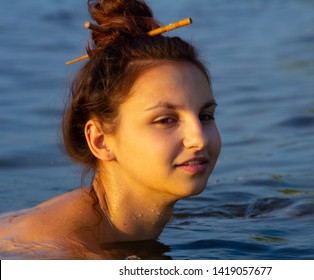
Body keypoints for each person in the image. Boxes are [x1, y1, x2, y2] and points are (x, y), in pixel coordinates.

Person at [0, 0, 221, 259]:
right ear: (101, 140)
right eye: (165, 120)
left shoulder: (110, 224)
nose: (199, 138)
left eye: (205, 116)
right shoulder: (69, 258)